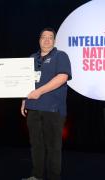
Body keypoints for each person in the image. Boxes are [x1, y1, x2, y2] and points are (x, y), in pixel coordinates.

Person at [21, 28, 72, 180]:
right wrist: (24, 100)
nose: (47, 40)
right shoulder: (32, 58)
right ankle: (36, 175)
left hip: (53, 109)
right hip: (33, 108)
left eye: (51, 37)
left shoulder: (60, 56)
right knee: (36, 145)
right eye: (44, 37)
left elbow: (62, 77)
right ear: (39, 40)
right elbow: (25, 82)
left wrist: (39, 91)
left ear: (54, 41)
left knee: (53, 147)